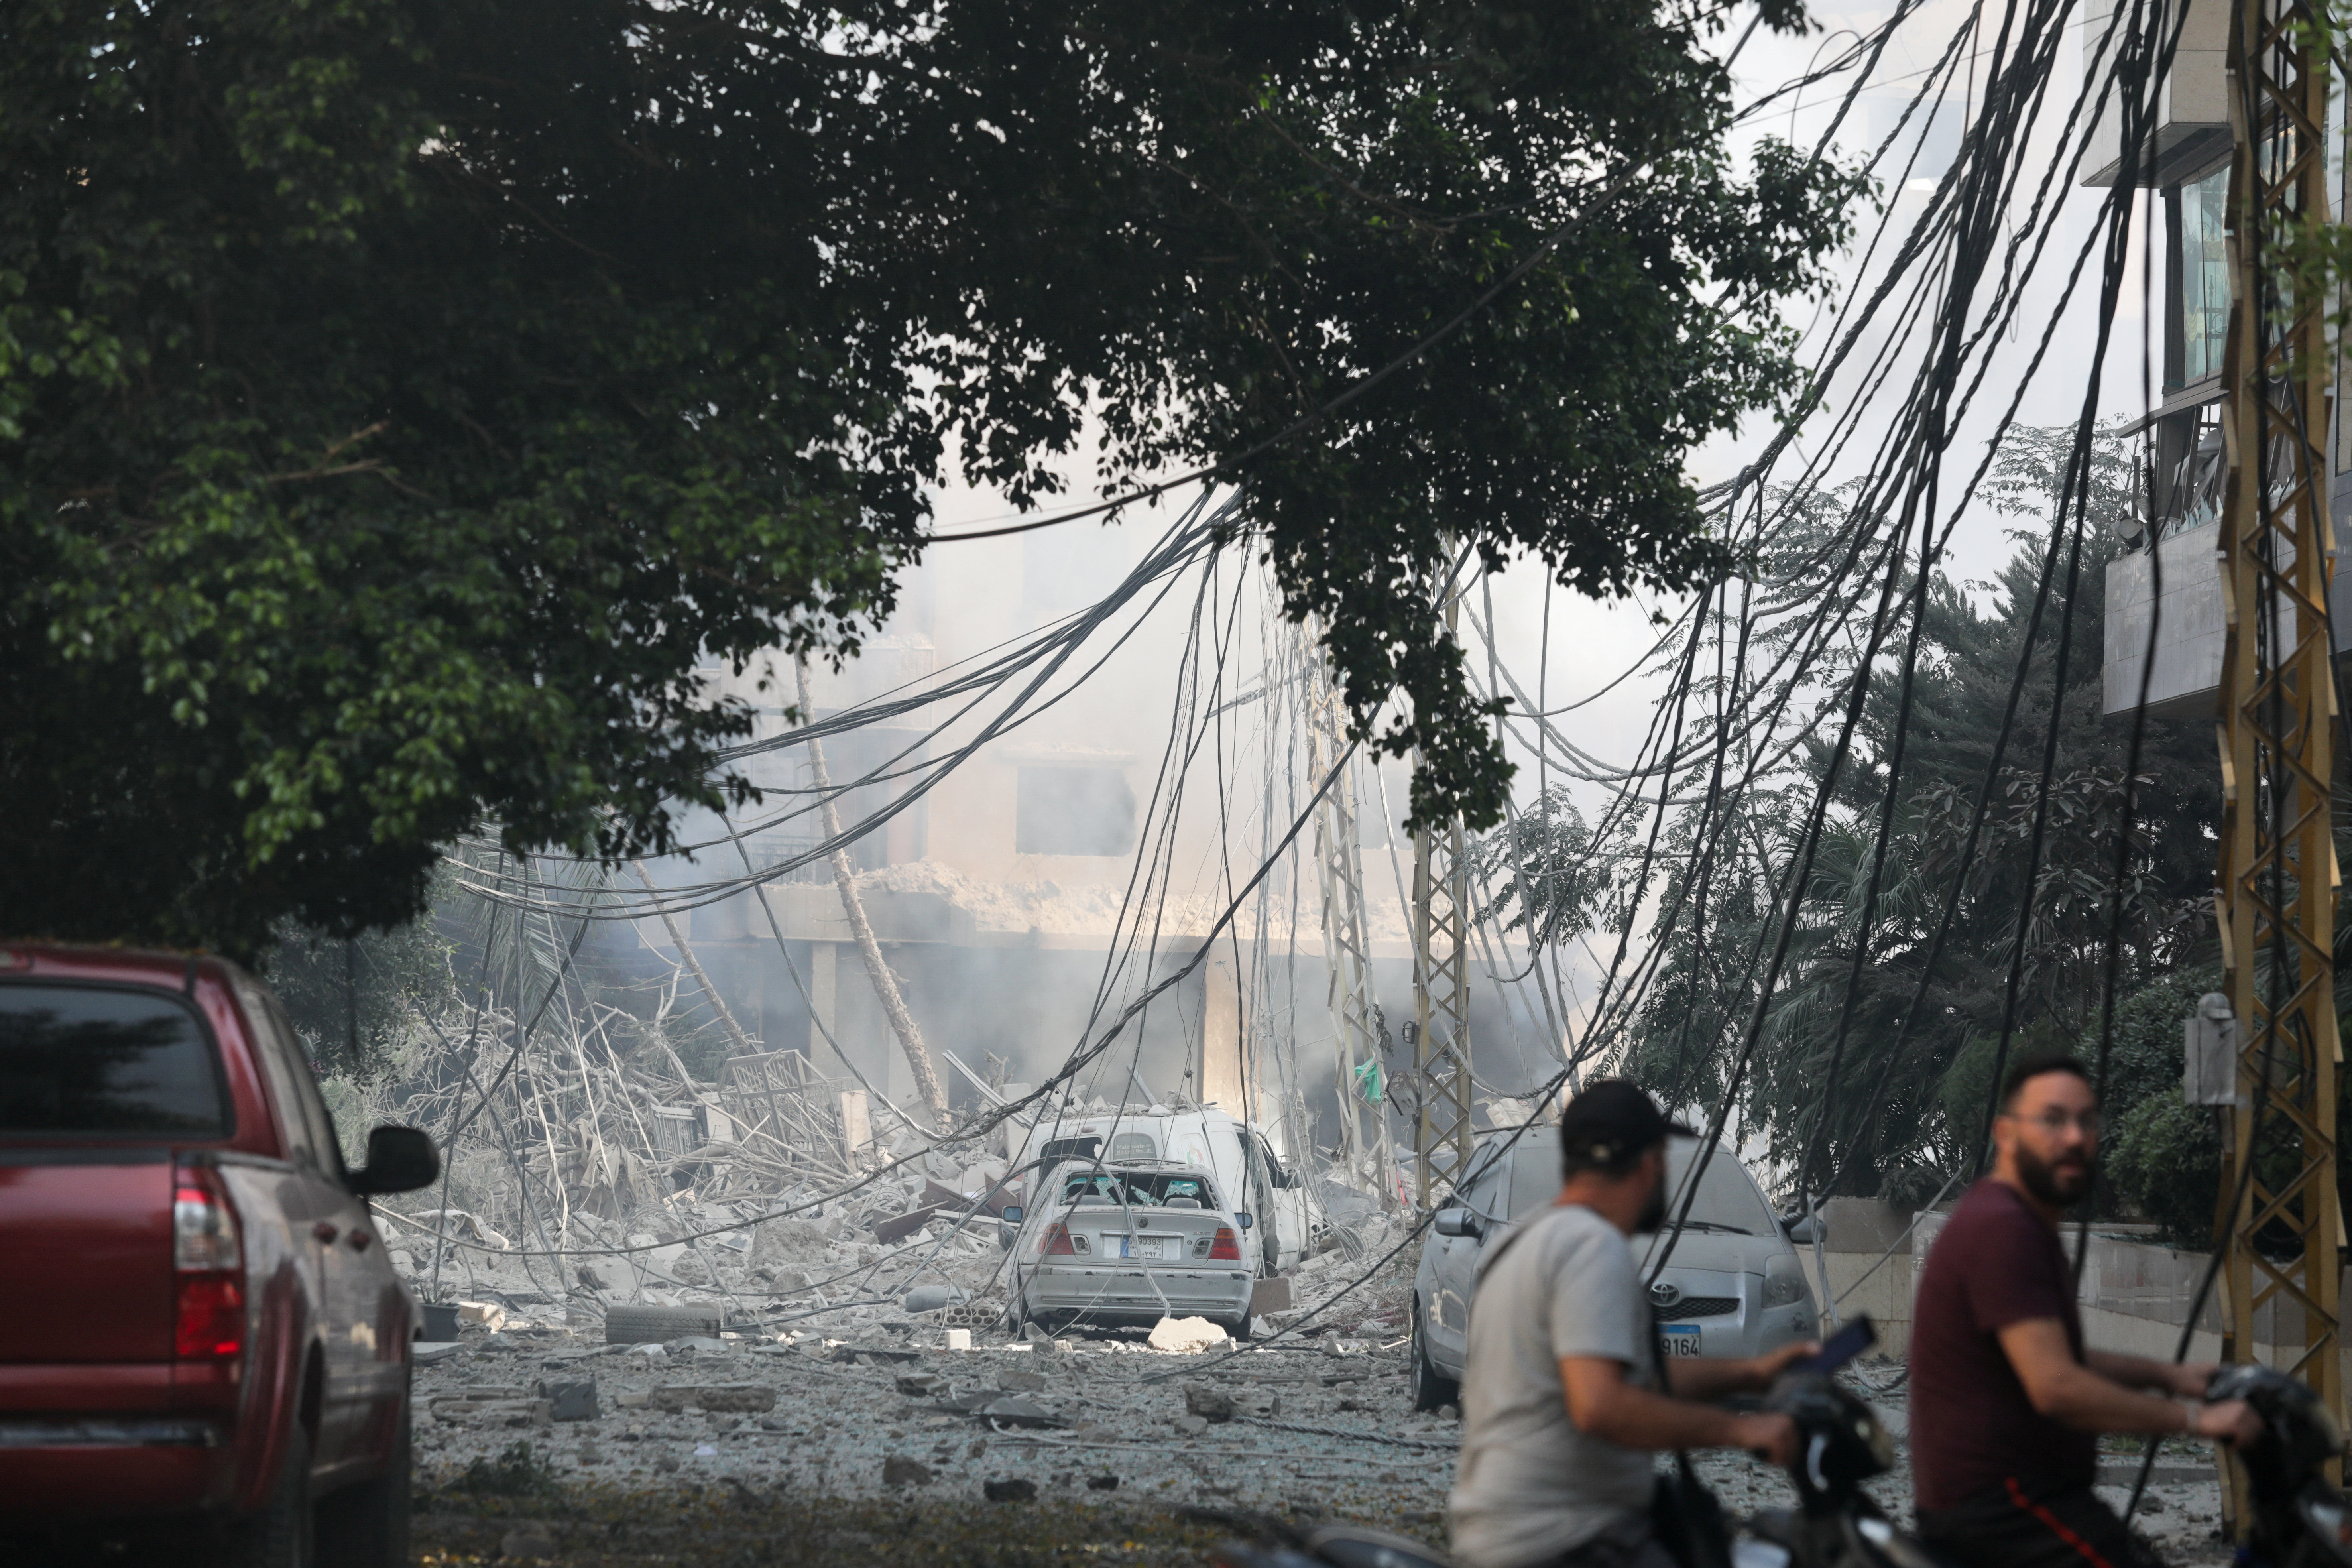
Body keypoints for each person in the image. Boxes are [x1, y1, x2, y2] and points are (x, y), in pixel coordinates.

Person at [1909, 1051, 2262, 1568]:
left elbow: (2058, 1358)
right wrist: (2198, 1419)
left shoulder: (2019, 1220)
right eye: (2052, 1120)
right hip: (2004, 1509)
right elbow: (2056, 1386)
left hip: (2021, 1499)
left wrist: (2171, 1374)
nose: (2074, 1137)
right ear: (2005, 1134)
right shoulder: (2003, 1228)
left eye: (2086, 1121)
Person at [1450, 1080, 1814, 1568]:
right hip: (1566, 1540)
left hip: (1500, 1531)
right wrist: (1740, 1430)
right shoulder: (1591, 1247)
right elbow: (1600, 1406)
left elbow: (1625, 1375)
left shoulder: (1520, 1245)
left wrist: (1753, 1374)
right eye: (1664, 1159)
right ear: (1647, 1165)